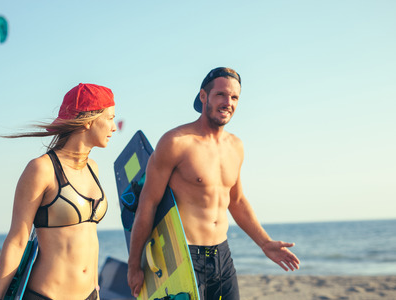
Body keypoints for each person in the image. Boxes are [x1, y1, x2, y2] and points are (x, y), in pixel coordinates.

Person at [127, 67, 300, 300]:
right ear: (203, 96)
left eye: (235, 97)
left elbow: (236, 201)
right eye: (221, 94)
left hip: (223, 255)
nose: (228, 102)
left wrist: (265, 243)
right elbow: (147, 205)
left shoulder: (236, 147)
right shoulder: (176, 142)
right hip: (185, 256)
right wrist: (134, 265)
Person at [0, 83, 117, 300]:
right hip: (46, 295)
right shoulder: (41, 169)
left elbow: (89, 237)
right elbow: (17, 240)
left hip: (90, 295)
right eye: (110, 118)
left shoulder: (93, 168)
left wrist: (95, 290)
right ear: (88, 121)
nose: (114, 127)